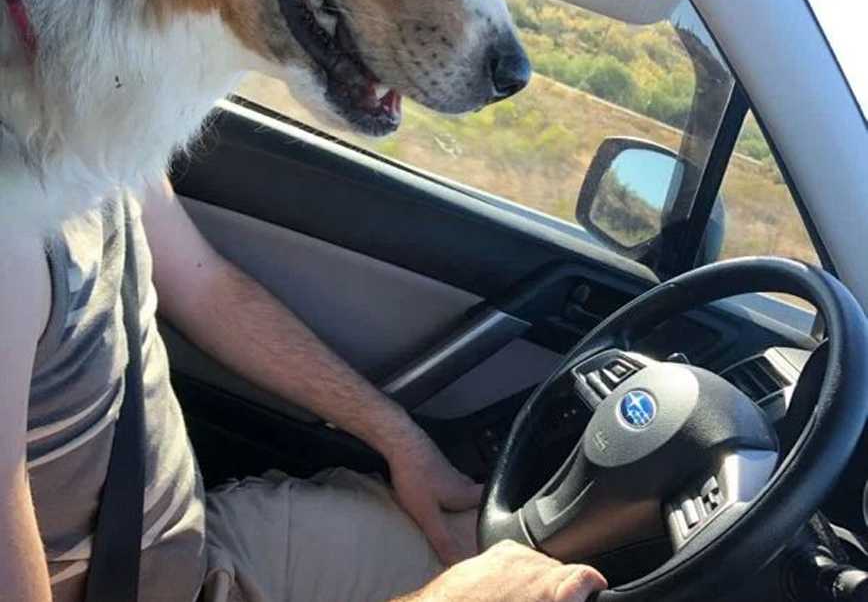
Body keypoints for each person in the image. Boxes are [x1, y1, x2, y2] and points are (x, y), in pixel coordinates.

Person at [1, 179, 606, 602]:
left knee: (501, 539)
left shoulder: (91, 129)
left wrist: (400, 439)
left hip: (197, 554)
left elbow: (209, 289)